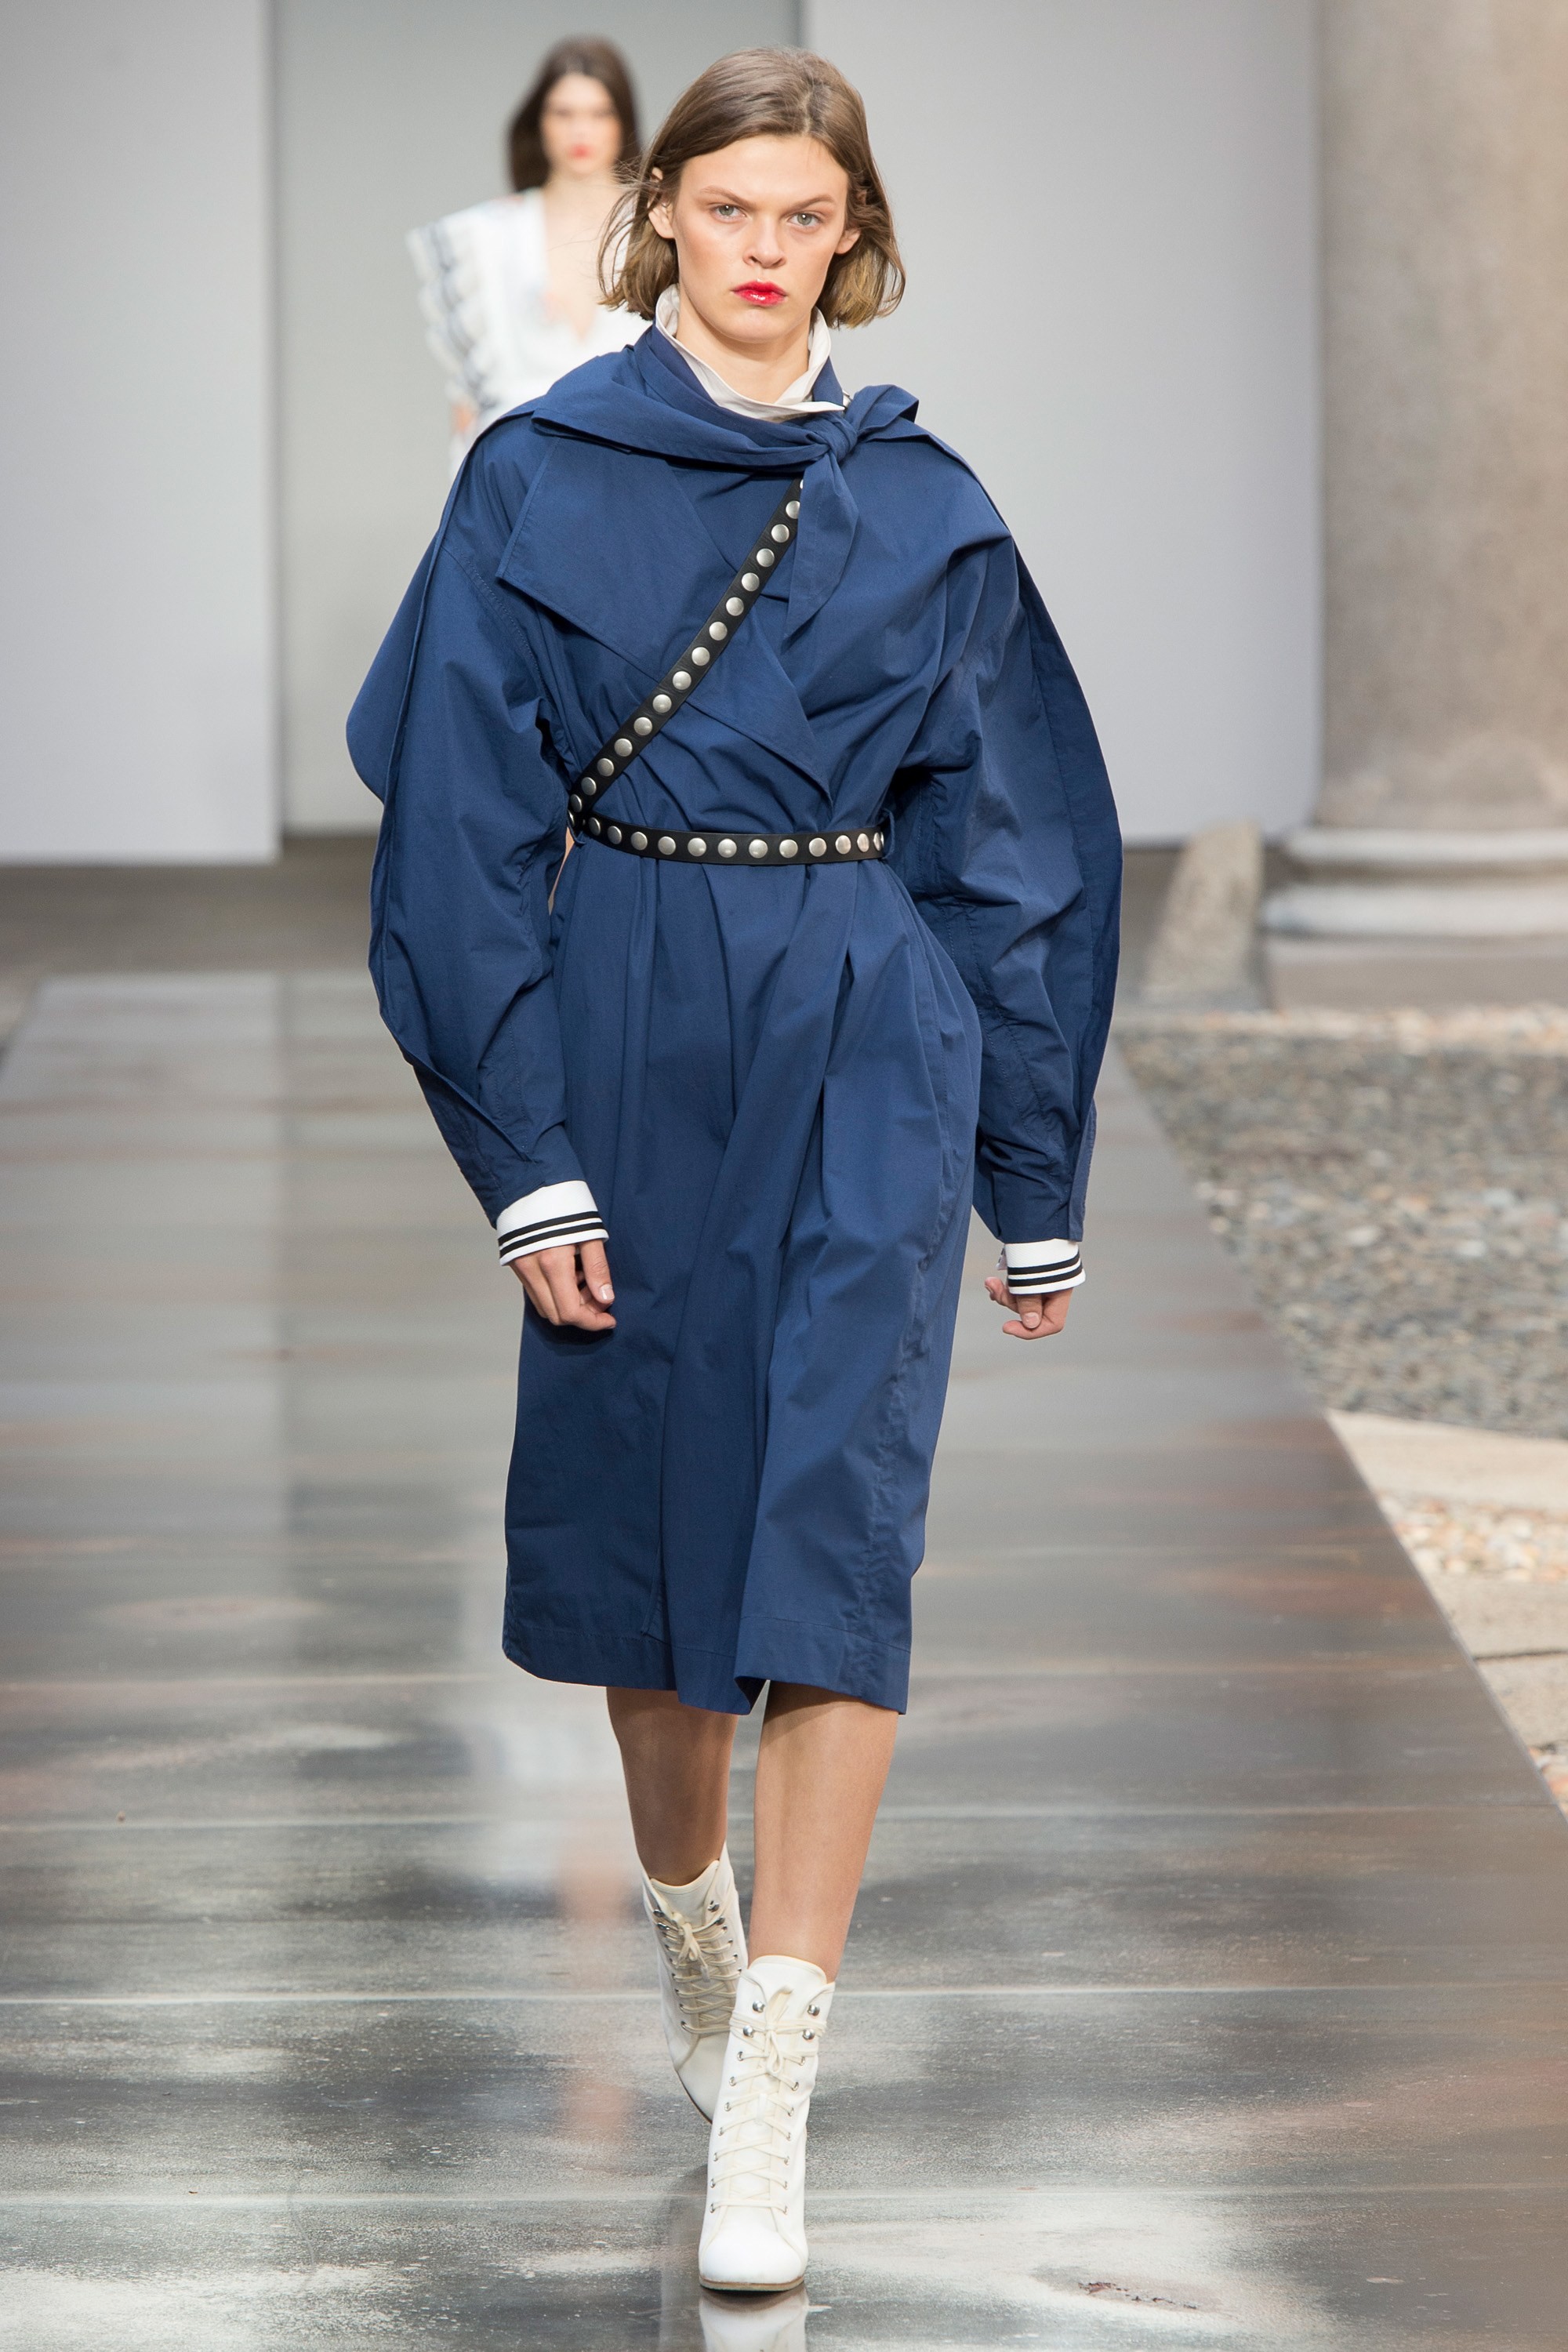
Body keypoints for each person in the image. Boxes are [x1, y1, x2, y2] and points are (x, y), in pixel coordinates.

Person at [350, 46, 1120, 2297]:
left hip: (867, 1019)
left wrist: (1030, 1164)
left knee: (833, 1535)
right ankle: (689, 1913)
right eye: (731, 208)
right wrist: (526, 1160)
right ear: (660, 215)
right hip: (626, 1014)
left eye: (808, 213)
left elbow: (1015, 847)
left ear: (850, 233)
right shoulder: (539, 475)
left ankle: (779, 2066)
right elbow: (456, 832)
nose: (767, 249)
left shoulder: (928, 505)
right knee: (653, 1565)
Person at [408, 35, 644, 465]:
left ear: (623, 121)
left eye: (600, 113)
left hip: (635, 475)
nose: (581, 130)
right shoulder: (486, 238)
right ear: (540, 122)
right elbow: (468, 405)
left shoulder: (658, 231)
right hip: (516, 477)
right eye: (563, 113)